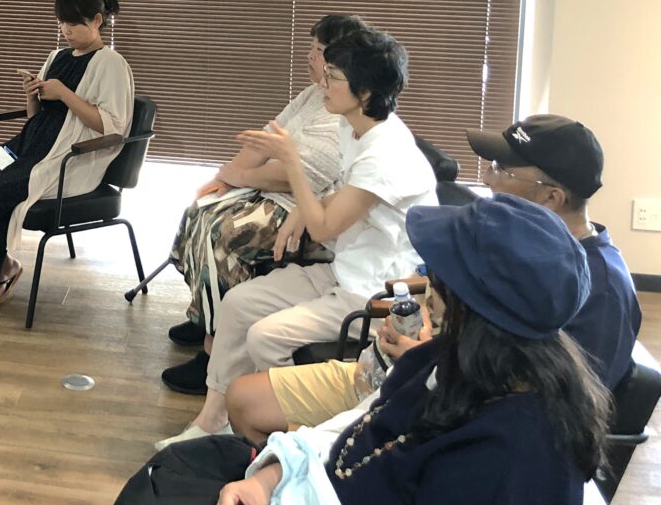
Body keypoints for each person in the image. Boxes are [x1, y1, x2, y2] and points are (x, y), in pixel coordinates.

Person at [226, 114, 641, 441]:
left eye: (502, 171)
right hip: (405, 372)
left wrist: (426, 357)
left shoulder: (600, 292)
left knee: (292, 449)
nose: (487, 179)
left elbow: (555, 411)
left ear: (552, 197)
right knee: (243, 401)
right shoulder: (512, 247)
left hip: (447, 408)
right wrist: (422, 323)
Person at [200, 195, 611, 505]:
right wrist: (272, 476)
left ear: (468, 305)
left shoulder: (505, 459)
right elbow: (358, 426)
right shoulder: (445, 360)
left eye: (435, 273)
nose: (424, 283)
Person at [157, 28, 437, 450]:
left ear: (363, 93)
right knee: (238, 303)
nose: (323, 82)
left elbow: (324, 228)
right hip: (344, 270)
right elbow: (338, 200)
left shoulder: (387, 154)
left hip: (373, 290)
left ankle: (286, 440)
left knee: (265, 336)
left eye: (334, 77)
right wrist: (302, 211)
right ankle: (213, 420)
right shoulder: (355, 128)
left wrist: (292, 163)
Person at [162, 15, 369, 393]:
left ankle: (215, 351)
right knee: (200, 210)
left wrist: (239, 177)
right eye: (311, 47)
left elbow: (296, 175)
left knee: (224, 233)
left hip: (302, 207)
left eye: (319, 50)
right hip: (273, 193)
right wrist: (225, 177)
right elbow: (266, 140)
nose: (310, 56)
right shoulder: (313, 94)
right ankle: (204, 314)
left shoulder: (345, 112)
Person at [0, 0, 134, 311]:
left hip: (62, 157)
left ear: (97, 20)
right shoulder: (56, 57)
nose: (66, 30)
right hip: (24, 146)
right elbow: (37, 116)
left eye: (73, 23)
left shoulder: (111, 64)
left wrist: (63, 93)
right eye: (62, 22)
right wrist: (32, 94)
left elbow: (113, 127)